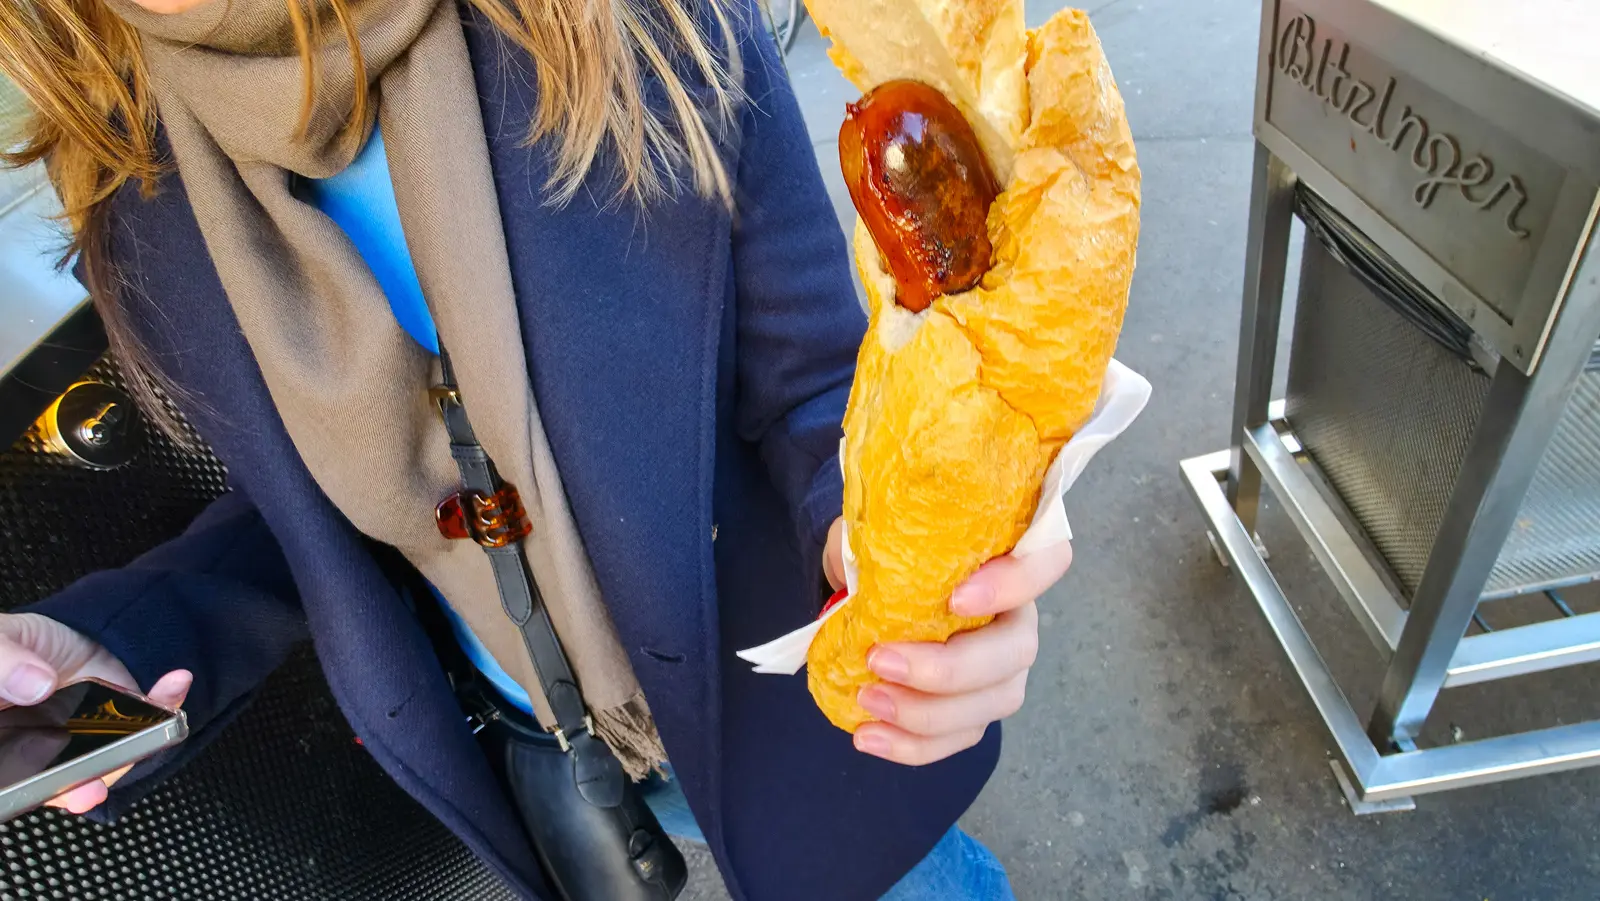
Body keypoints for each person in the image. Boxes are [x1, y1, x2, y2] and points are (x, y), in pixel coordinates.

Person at [0, 0, 1074, 898]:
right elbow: (316, 511)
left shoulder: (616, 20)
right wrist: (116, 649)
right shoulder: (126, 167)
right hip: (535, 734)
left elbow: (809, 379)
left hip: (786, 690)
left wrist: (906, 540)